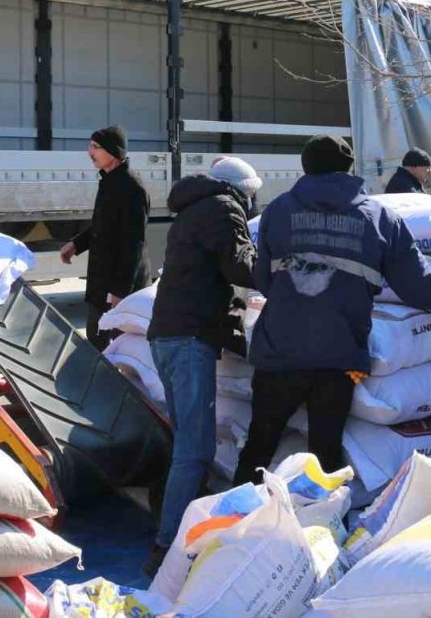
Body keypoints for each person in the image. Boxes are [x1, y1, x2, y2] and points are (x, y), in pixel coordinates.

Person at [233, 135, 431, 482]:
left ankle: (236, 524)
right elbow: (415, 285)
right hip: (339, 358)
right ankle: (319, 526)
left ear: (305, 167)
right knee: (325, 451)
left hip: (279, 352)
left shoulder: (279, 210)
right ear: (349, 168)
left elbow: (263, 279)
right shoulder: (380, 218)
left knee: (260, 446)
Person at [142, 157, 260, 577]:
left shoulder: (191, 210)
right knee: (196, 449)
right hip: (190, 338)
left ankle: (177, 530)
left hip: (168, 335)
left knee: (186, 444)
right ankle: (167, 549)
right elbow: (240, 266)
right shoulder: (224, 209)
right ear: (242, 189)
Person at [59, 125, 151, 351]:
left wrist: (121, 292)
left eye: (95, 147)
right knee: (97, 338)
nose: (89, 153)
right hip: (103, 281)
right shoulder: (109, 181)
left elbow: (133, 243)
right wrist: (76, 244)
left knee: (113, 344)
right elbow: (103, 226)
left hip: (119, 284)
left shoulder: (132, 187)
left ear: (113, 151)